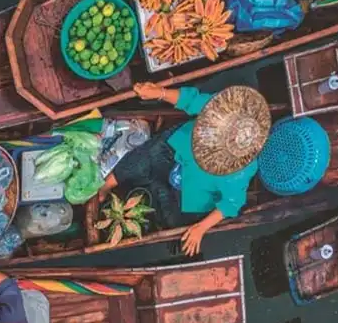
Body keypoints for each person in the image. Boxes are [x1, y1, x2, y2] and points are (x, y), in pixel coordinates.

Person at [96, 82, 271, 256]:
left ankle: (152, 189)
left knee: (171, 219)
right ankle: (108, 184)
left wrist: (201, 228)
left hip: (190, 193)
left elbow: (231, 203)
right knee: (143, 158)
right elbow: (192, 100)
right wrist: (159, 92)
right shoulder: (225, 108)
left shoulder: (240, 172)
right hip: (176, 148)